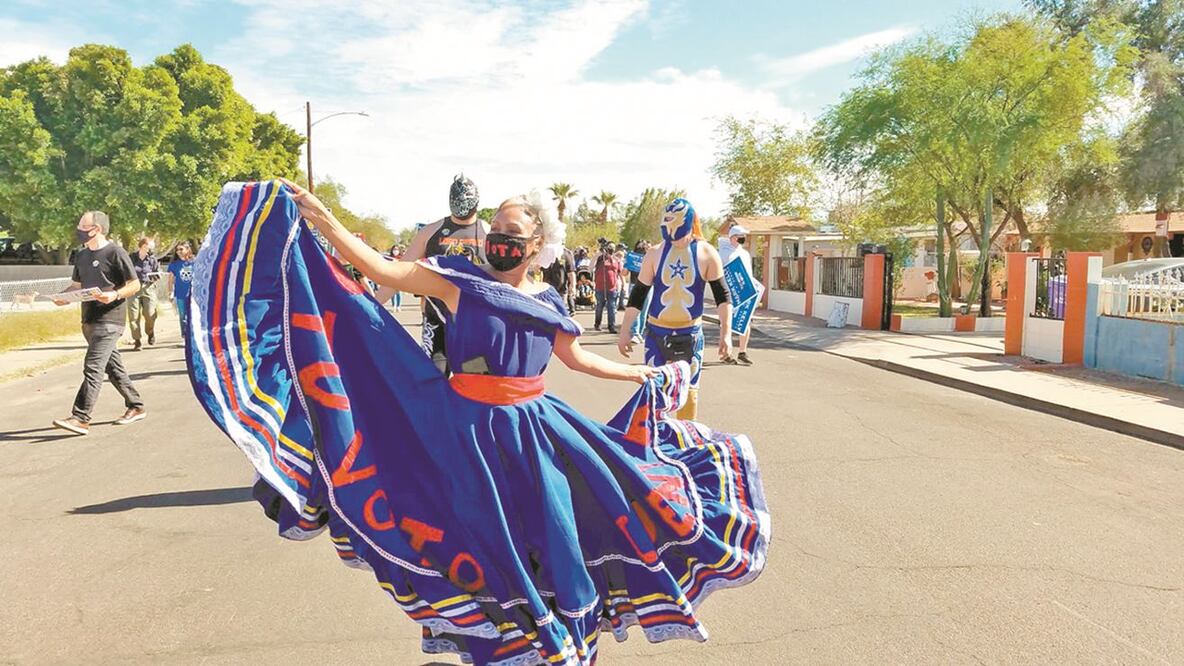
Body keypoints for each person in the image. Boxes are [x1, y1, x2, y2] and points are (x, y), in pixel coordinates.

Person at [185, 179, 768, 666]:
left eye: (512, 235)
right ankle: (504, 637)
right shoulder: (458, 282)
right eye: (494, 232)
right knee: (477, 540)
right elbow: (380, 270)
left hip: (535, 433)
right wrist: (326, 221)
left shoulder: (550, 300)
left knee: (558, 533)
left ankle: (554, 638)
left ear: (537, 241)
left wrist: (637, 375)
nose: (499, 242)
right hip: (460, 432)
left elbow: (577, 359)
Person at [617, 198, 732, 420]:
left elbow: (723, 297)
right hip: (657, 333)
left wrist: (725, 334)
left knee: (689, 393)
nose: (674, 238)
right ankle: (657, 441)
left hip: (690, 334)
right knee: (655, 390)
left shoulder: (707, 254)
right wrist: (625, 331)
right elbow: (638, 295)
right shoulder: (654, 253)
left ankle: (685, 443)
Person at [375, 174, 488, 373]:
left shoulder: (488, 232)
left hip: (475, 327)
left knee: (476, 385)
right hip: (437, 321)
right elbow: (399, 274)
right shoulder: (432, 232)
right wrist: (370, 303)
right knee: (435, 381)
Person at [51, 211, 147, 435]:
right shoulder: (82, 256)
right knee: (113, 369)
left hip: (111, 320)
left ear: (98, 229)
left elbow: (134, 285)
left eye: (84, 227)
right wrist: (61, 297)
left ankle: (80, 417)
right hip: (89, 321)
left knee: (93, 366)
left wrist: (114, 295)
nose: (79, 230)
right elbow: (76, 287)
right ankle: (136, 405)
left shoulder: (116, 252)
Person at [719, 225, 754, 366]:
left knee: (745, 321)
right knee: (726, 324)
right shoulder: (723, 254)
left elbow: (748, 275)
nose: (743, 239)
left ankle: (742, 351)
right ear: (733, 237)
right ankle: (725, 353)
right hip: (729, 295)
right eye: (741, 236)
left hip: (744, 294)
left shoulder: (745, 254)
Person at [127, 237, 160, 351]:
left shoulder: (152, 259)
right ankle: (137, 340)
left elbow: (157, 273)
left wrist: (155, 276)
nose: (151, 248)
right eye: (149, 246)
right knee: (133, 316)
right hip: (133, 288)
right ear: (143, 246)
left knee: (150, 314)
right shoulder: (131, 257)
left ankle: (150, 332)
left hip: (148, 287)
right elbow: (125, 271)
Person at [592, 239, 623, 333]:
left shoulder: (616, 260)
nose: (611, 249)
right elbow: (591, 266)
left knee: (612, 307)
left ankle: (611, 326)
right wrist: (599, 253)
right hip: (600, 287)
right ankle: (597, 323)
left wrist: (621, 285)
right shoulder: (600, 258)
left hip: (612, 288)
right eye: (609, 247)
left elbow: (620, 273)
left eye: (613, 248)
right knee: (599, 306)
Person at [167, 241, 196, 333]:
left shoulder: (194, 262)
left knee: (193, 315)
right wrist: (170, 292)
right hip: (180, 294)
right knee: (182, 315)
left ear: (187, 250)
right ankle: (185, 335)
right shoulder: (174, 264)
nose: (178, 251)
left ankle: (193, 335)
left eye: (181, 249)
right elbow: (170, 279)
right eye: (177, 250)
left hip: (193, 294)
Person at [627, 239, 651, 344]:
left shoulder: (649, 258)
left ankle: (638, 333)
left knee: (640, 311)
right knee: (638, 311)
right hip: (640, 285)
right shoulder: (633, 257)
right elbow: (624, 272)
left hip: (642, 285)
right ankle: (636, 333)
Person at [540, 245, 576, 314]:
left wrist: (573, 285)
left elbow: (571, 272)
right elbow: (538, 270)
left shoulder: (565, 253)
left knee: (560, 312)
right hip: (547, 289)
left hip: (561, 290)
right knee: (548, 312)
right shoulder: (545, 252)